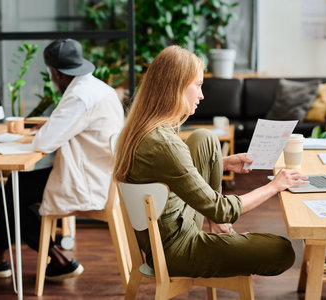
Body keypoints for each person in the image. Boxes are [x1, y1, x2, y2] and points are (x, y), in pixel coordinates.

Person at [113, 45, 309, 278]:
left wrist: (223, 163)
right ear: (176, 87)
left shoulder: (142, 129)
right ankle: (220, 226)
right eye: (197, 85)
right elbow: (222, 208)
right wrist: (274, 185)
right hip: (176, 250)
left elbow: (174, 171)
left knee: (204, 138)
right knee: (282, 250)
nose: (201, 95)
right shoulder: (165, 144)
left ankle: (218, 226)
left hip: (170, 228)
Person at [0, 39, 124, 280]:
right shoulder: (98, 88)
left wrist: (47, 129)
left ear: (55, 72)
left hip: (86, 182)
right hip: (101, 175)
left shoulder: (78, 96)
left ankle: (52, 257)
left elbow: (43, 143)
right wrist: (51, 126)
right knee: (13, 190)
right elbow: (74, 126)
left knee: (9, 193)